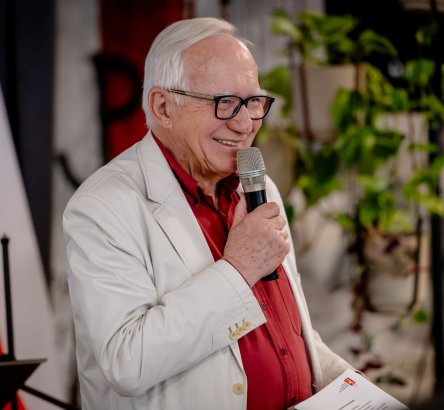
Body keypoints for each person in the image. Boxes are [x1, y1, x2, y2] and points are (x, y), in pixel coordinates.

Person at [63, 17, 355, 410]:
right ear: (163, 106)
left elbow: (291, 335)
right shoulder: (102, 206)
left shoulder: (258, 186)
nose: (245, 123)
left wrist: (359, 392)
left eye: (253, 102)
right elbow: (126, 362)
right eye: (225, 103)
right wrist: (240, 268)